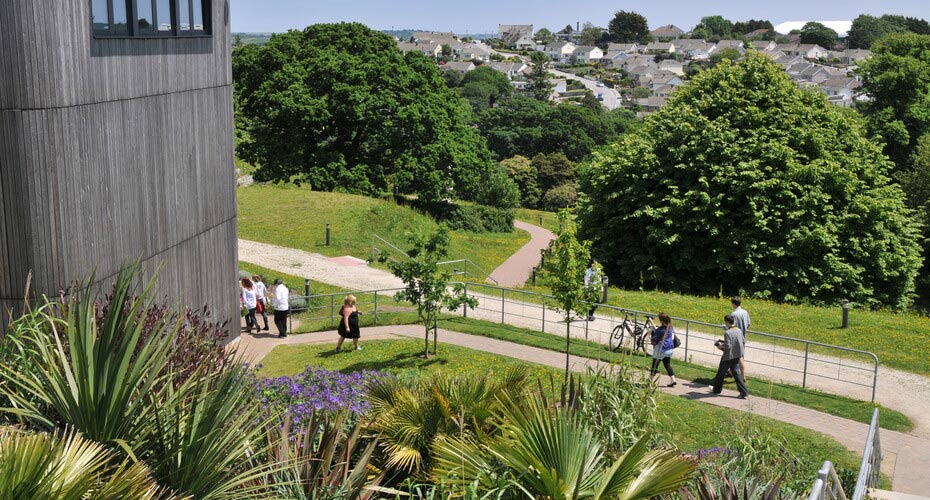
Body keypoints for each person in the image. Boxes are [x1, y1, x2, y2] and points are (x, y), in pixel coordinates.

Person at [712, 314, 749, 399]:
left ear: (727, 322)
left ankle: (717, 390)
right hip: (736, 356)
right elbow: (741, 341)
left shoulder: (727, 332)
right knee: (737, 374)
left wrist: (719, 346)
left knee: (720, 373)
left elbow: (728, 347)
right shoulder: (738, 330)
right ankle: (744, 392)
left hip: (728, 357)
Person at [649, 312, 678, 387]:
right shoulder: (670, 327)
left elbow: (654, 339)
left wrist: (652, 329)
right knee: (667, 364)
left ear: (661, 321)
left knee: (654, 366)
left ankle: (649, 381)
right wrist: (654, 327)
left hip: (660, 350)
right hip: (669, 349)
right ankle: (673, 380)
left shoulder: (660, 330)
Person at [730, 296, 751, 377]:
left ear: (734, 304)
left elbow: (732, 326)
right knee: (741, 356)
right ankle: (733, 372)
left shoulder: (734, 314)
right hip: (743, 337)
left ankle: (741, 375)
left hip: (736, 338)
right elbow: (748, 324)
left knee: (737, 357)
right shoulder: (745, 312)